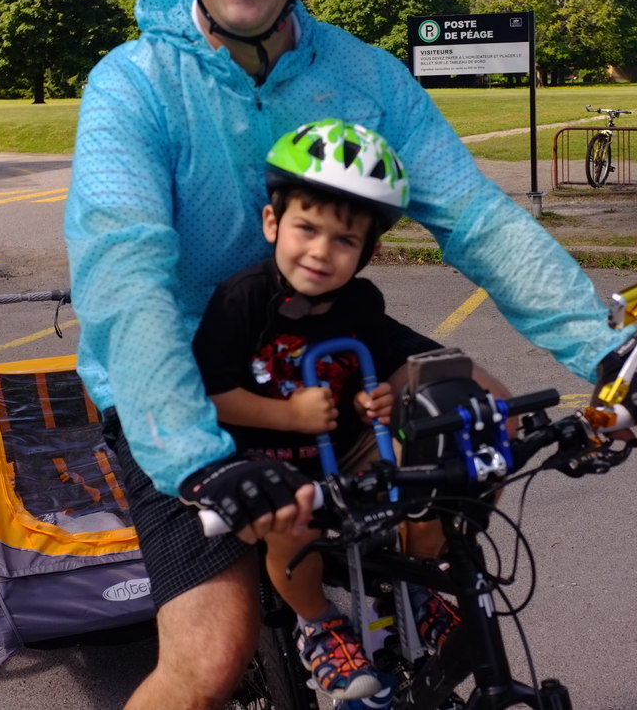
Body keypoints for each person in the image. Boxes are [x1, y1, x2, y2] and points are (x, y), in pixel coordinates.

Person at [62, 0, 637, 708]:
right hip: (186, 378)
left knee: (483, 413)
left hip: (329, 340)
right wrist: (197, 458)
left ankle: (407, 591)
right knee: (208, 661)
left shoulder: (366, 76)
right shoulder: (134, 83)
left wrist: (612, 355)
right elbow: (126, 274)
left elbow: (476, 217)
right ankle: (311, 619)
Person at [192, 119, 463, 701]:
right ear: (272, 222)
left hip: (342, 448)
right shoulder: (243, 299)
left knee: (428, 476)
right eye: (307, 229)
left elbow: (370, 372)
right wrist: (290, 417)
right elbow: (209, 392)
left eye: (344, 241)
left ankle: (414, 589)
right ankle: (317, 624)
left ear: (369, 251)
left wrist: (371, 400)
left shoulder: (362, 302)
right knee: (292, 523)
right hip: (267, 458)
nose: (320, 252)